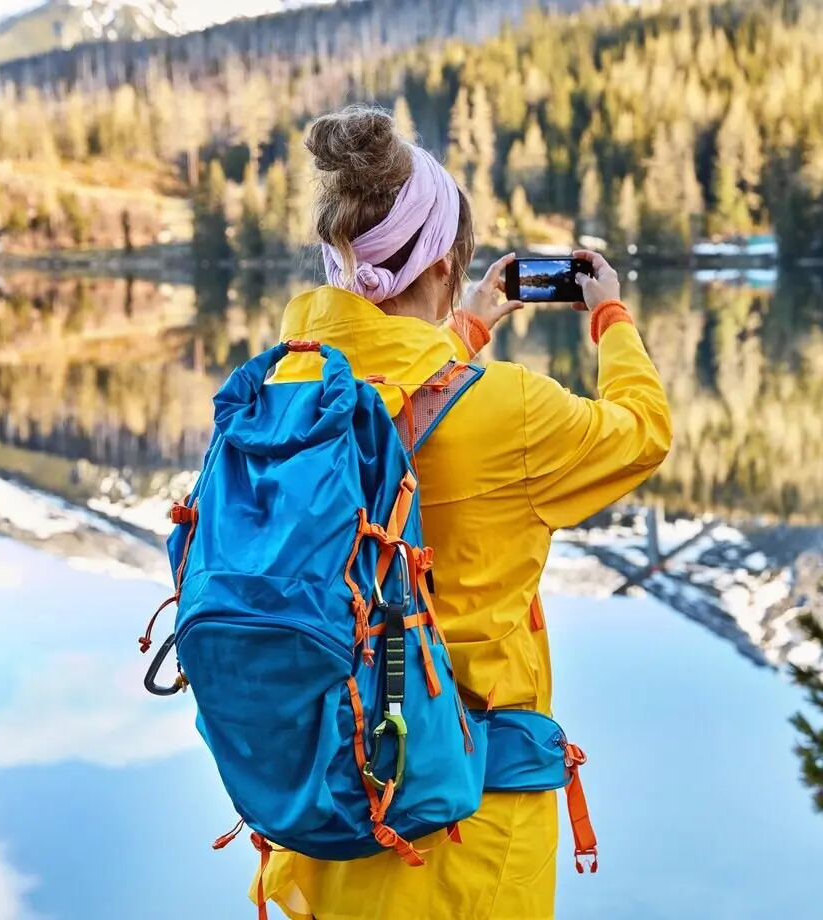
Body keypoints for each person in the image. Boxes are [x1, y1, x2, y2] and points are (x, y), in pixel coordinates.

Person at [254, 103, 672, 920]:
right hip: (459, 832)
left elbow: (389, 391)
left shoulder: (279, 392)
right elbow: (644, 432)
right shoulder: (509, 411)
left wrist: (468, 326)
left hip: (325, 820)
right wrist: (611, 320)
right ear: (445, 263)